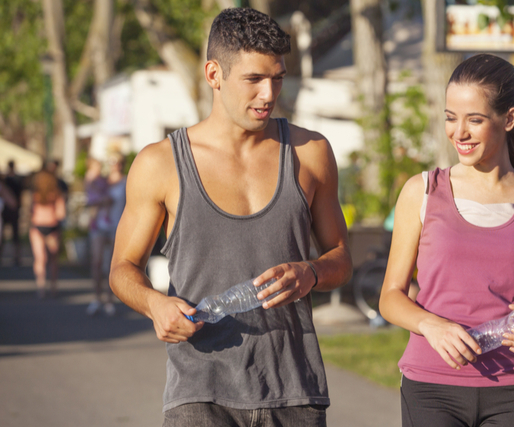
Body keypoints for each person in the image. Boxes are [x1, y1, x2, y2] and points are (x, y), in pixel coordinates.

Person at [109, 8, 352, 426]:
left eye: (277, 77)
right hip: (200, 393)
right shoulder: (160, 163)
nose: (268, 94)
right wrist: (155, 304)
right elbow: (121, 269)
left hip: (294, 390)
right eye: (254, 79)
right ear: (213, 74)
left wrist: (311, 273)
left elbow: (342, 258)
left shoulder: (311, 152)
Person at [378, 54, 514, 427]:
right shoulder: (422, 191)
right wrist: (432, 325)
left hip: (512, 389)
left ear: (509, 119)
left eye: (475, 120)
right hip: (430, 387)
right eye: (451, 118)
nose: (459, 133)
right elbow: (390, 297)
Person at [86, 155, 126, 316]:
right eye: (111, 162)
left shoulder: (127, 181)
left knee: (113, 265)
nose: (114, 165)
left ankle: (110, 301)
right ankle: (97, 298)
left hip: (117, 226)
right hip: (99, 226)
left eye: (116, 162)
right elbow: (89, 200)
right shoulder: (100, 181)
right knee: (96, 262)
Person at [29, 168, 66, 298]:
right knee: (52, 259)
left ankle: (41, 287)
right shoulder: (56, 194)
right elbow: (61, 214)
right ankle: (53, 286)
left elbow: (30, 212)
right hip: (51, 227)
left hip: (38, 226)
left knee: (40, 258)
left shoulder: (35, 194)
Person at [2, 160, 24, 266]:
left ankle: (14, 257)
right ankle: (17, 258)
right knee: (15, 235)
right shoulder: (17, 179)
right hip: (13, 209)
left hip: (7, 209)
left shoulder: (5, 180)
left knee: (5, 235)